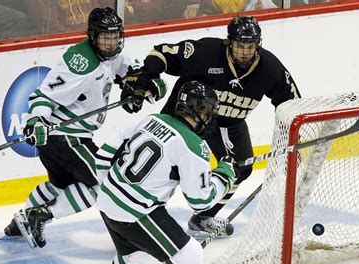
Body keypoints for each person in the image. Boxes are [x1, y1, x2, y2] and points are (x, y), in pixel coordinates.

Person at [121, 15, 300, 237]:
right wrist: (145, 77)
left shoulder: (270, 69)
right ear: (229, 42)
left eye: (249, 46)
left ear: (258, 45)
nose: (244, 52)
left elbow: (292, 106)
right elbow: (163, 52)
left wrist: (291, 140)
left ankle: (203, 217)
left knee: (241, 169)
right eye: (239, 45)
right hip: (186, 118)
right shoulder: (205, 52)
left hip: (229, 123)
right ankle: (137, 211)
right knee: (166, 166)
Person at [4, 7, 166, 248]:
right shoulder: (80, 63)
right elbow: (44, 96)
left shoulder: (112, 56)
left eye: (114, 37)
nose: (111, 43)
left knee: (60, 185)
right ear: (92, 36)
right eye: (104, 37)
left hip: (69, 139)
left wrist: (146, 88)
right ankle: (44, 215)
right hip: (66, 136)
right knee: (106, 183)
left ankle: (20, 223)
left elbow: (137, 75)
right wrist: (36, 120)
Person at [92, 80, 237, 264]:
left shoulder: (153, 119)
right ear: (195, 109)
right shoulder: (194, 145)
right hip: (136, 210)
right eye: (206, 109)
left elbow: (107, 150)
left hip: (108, 199)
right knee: (190, 254)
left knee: (136, 252)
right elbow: (200, 200)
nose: (208, 115)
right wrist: (225, 177)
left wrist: (110, 186)